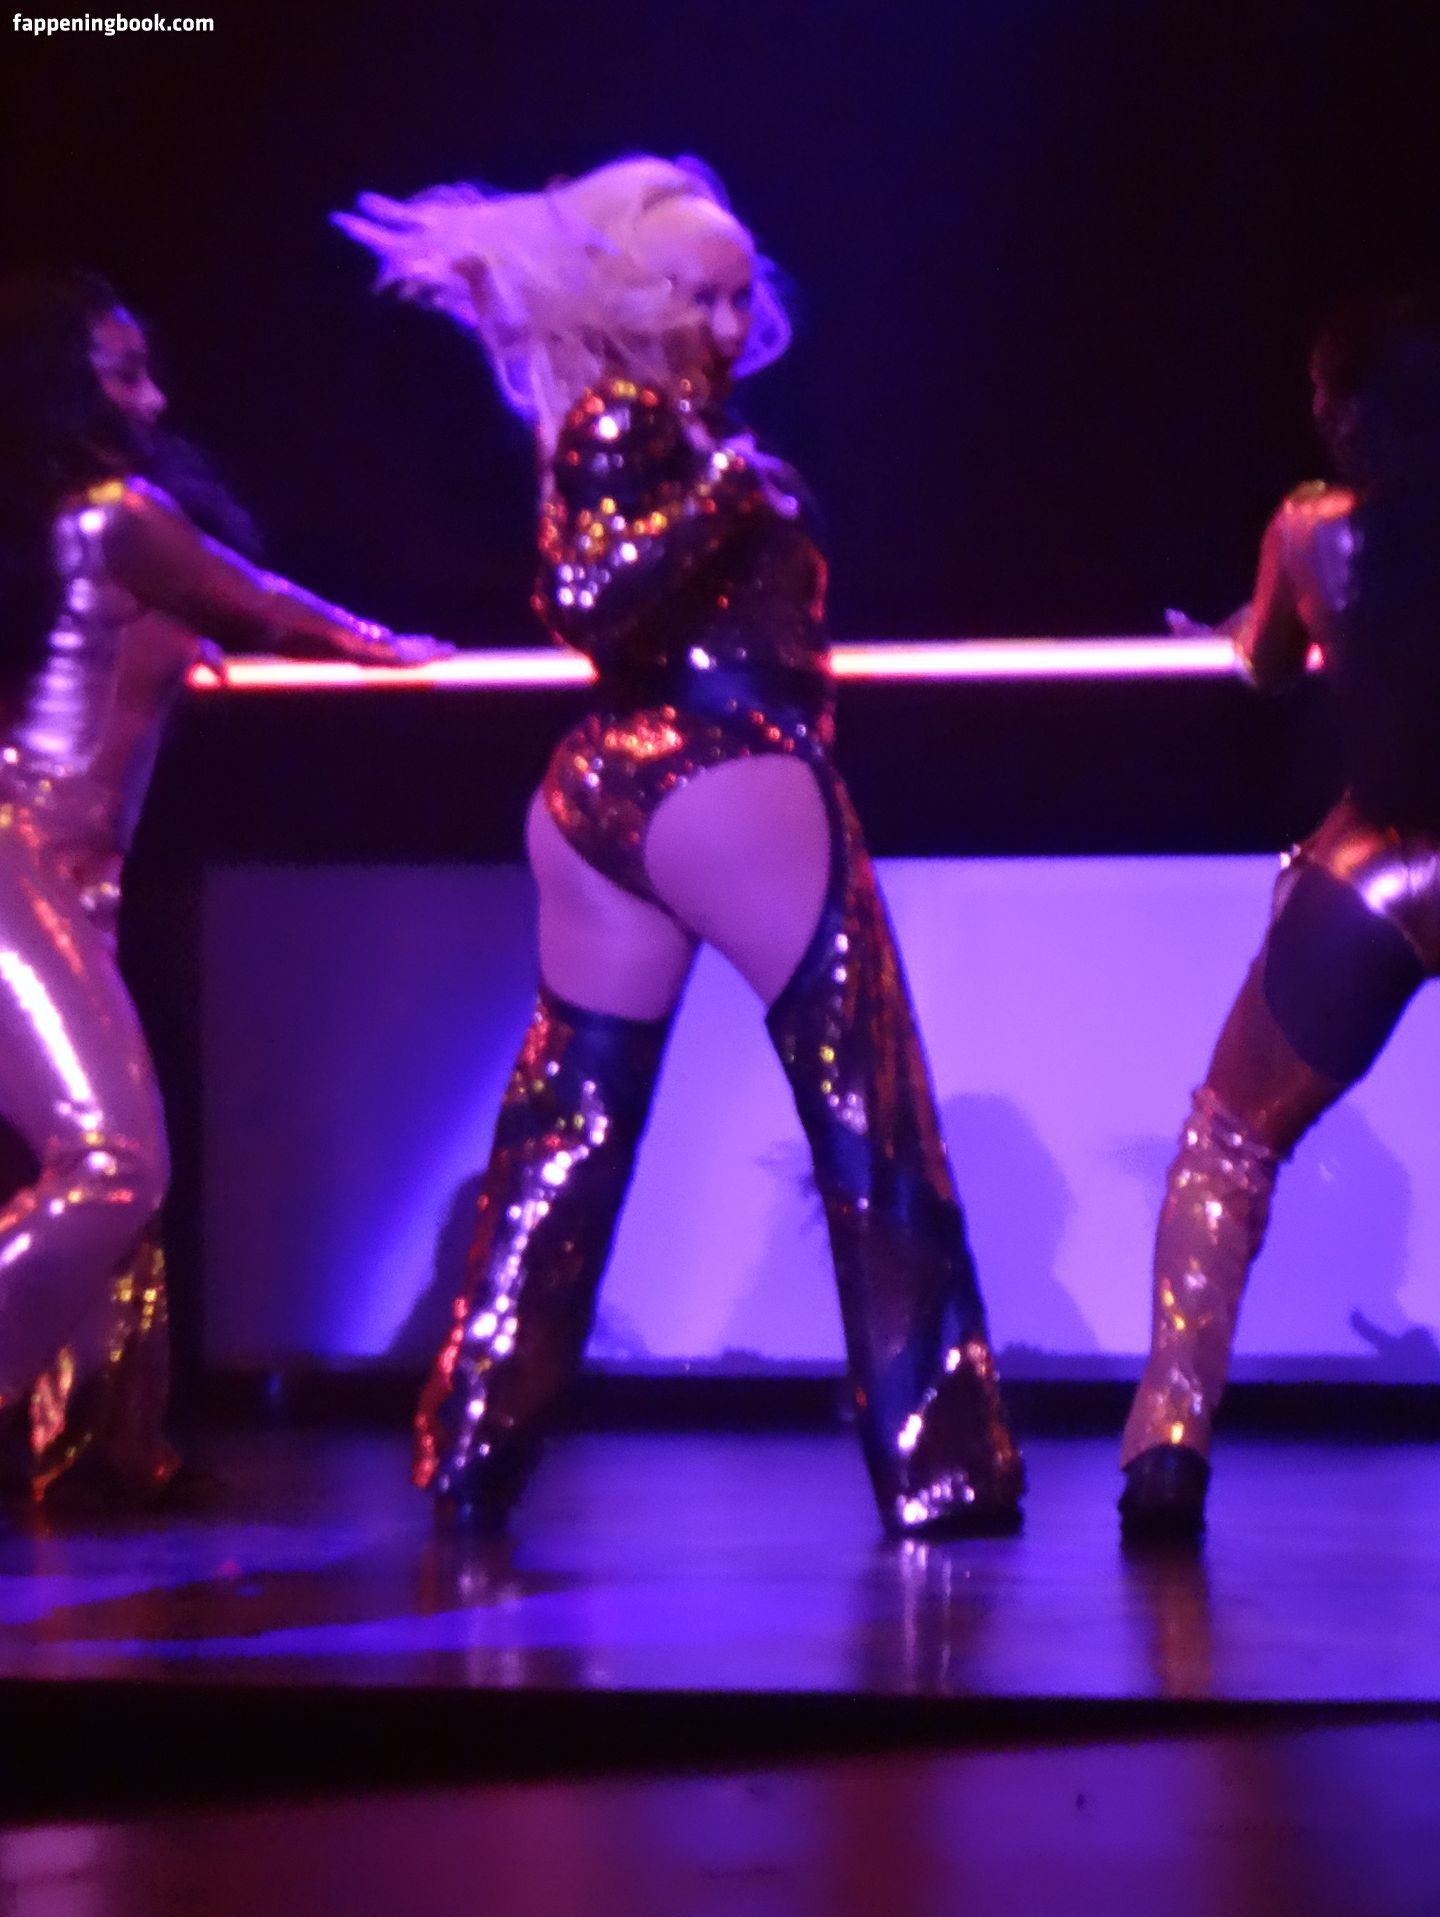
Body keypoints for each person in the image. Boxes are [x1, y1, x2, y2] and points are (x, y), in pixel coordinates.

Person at [337, 156, 1024, 1537]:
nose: (725, 325)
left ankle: (472, 1448)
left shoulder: (638, 423)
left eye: (736, 298)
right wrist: (728, 494)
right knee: (873, 1115)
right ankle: (942, 1466)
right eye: (695, 298)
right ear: (633, 301)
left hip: (606, 800)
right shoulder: (641, 426)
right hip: (723, 775)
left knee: (566, 1139)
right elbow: (582, 593)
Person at [0, 269, 444, 1505]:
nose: (154, 399)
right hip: (19, 865)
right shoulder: (109, 518)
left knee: (104, 1177)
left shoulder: (67, 535)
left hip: (70, 882)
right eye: (122, 375)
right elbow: (261, 605)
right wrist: (382, 645)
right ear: (60, 390)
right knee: (109, 1163)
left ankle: (105, 1449)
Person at [1121, 295, 1440, 1540]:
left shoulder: (1313, 532)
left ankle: (1169, 1443)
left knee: (1228, 1142)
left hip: (1377, 869)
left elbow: (1264, 662)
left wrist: (1235, 633)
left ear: (1349, 413)